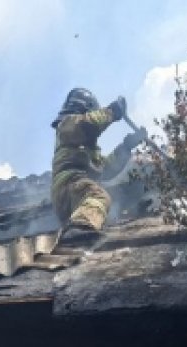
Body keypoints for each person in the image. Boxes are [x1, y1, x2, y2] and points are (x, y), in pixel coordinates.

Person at [51, 88, 147, 239]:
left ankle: (79, 232)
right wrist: (112, 111)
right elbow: (88, 125)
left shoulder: (87, 149)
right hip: (70, 183)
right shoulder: (67, 125)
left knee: (97, 210)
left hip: (73, 196)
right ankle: (79, 229)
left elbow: (106, 169)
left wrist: (126, 147)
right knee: (99, 196)